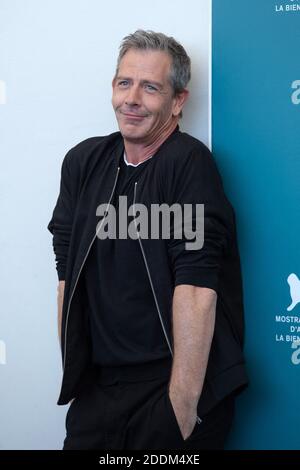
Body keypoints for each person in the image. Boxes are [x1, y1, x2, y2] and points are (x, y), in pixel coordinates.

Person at [47, 30, 248, 450]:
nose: (132, 99)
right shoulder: (83, 163)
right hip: (99, 392)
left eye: (150, 87)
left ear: (178, 102)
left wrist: (179, 412)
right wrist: (76, 371)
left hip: (168, 388)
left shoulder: (188, 164)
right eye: (124, 83)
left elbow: (196, 291)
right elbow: (66, 274)